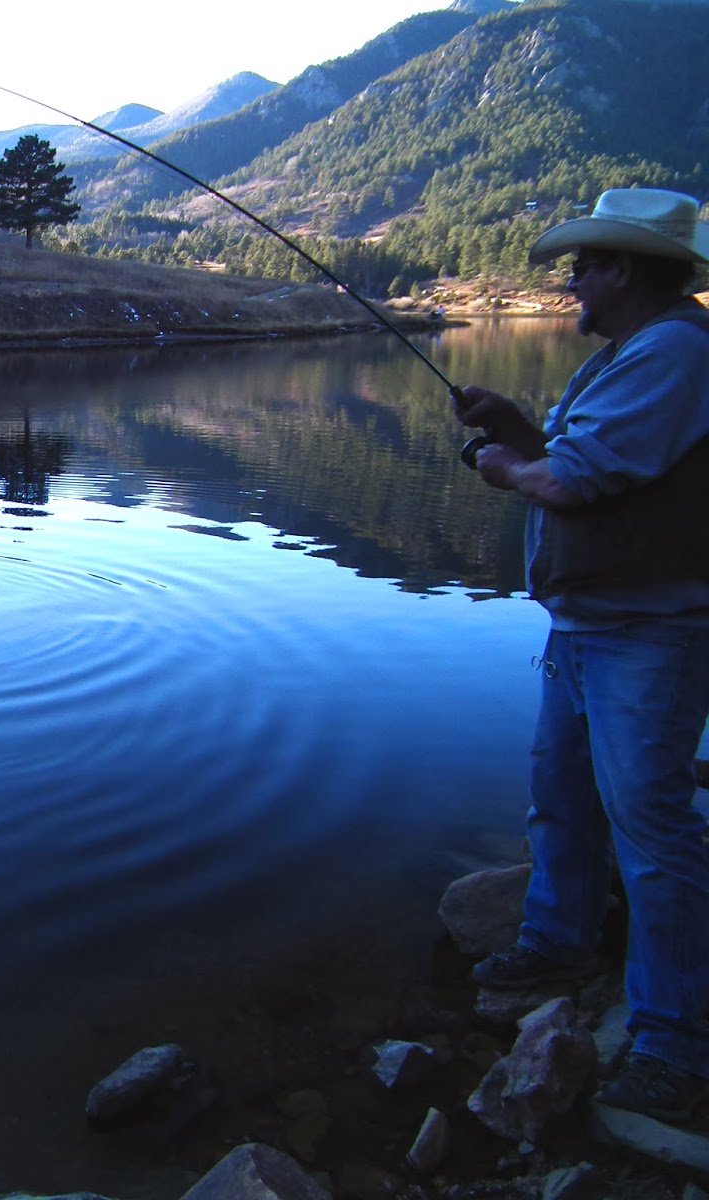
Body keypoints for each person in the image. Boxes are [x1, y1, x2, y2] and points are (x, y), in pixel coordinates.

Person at [454, 187, 709, 1124]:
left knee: (652, 828)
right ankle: (559, 941)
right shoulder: (631, 355)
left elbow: (579, 480)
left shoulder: (678, 350)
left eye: (585, 266)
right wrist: (521, 429)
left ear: (625, 270)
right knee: (559, 795)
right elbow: (579, 454)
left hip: (650, 631)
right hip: (592, 622)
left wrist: (510, 468)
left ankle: (674, 1045)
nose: (571, 282)